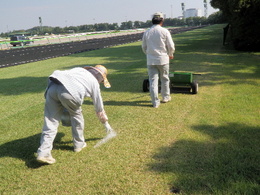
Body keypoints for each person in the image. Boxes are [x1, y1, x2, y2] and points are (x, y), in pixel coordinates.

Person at [36, 65, 116, 164]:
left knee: (51, 121)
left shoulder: (79, 70)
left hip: (52, 86)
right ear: (100, 77)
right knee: (77, 116)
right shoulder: (94, 82)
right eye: (101, 81)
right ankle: (79, 144)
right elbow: (98, 106)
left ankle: (43, 153)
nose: (100, 82)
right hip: (70, 92)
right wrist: (105, 122)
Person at [142, 12, 175, 108]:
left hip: (151, 60)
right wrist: (170, 54)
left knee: (153, 81)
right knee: (164, 78)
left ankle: (155, 102)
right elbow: (171, 46)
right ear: (162, 20)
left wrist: (149, 54)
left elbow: (144, 47)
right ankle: (165, 97)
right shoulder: (165, 31)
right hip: (163, 59)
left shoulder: (147, 32)